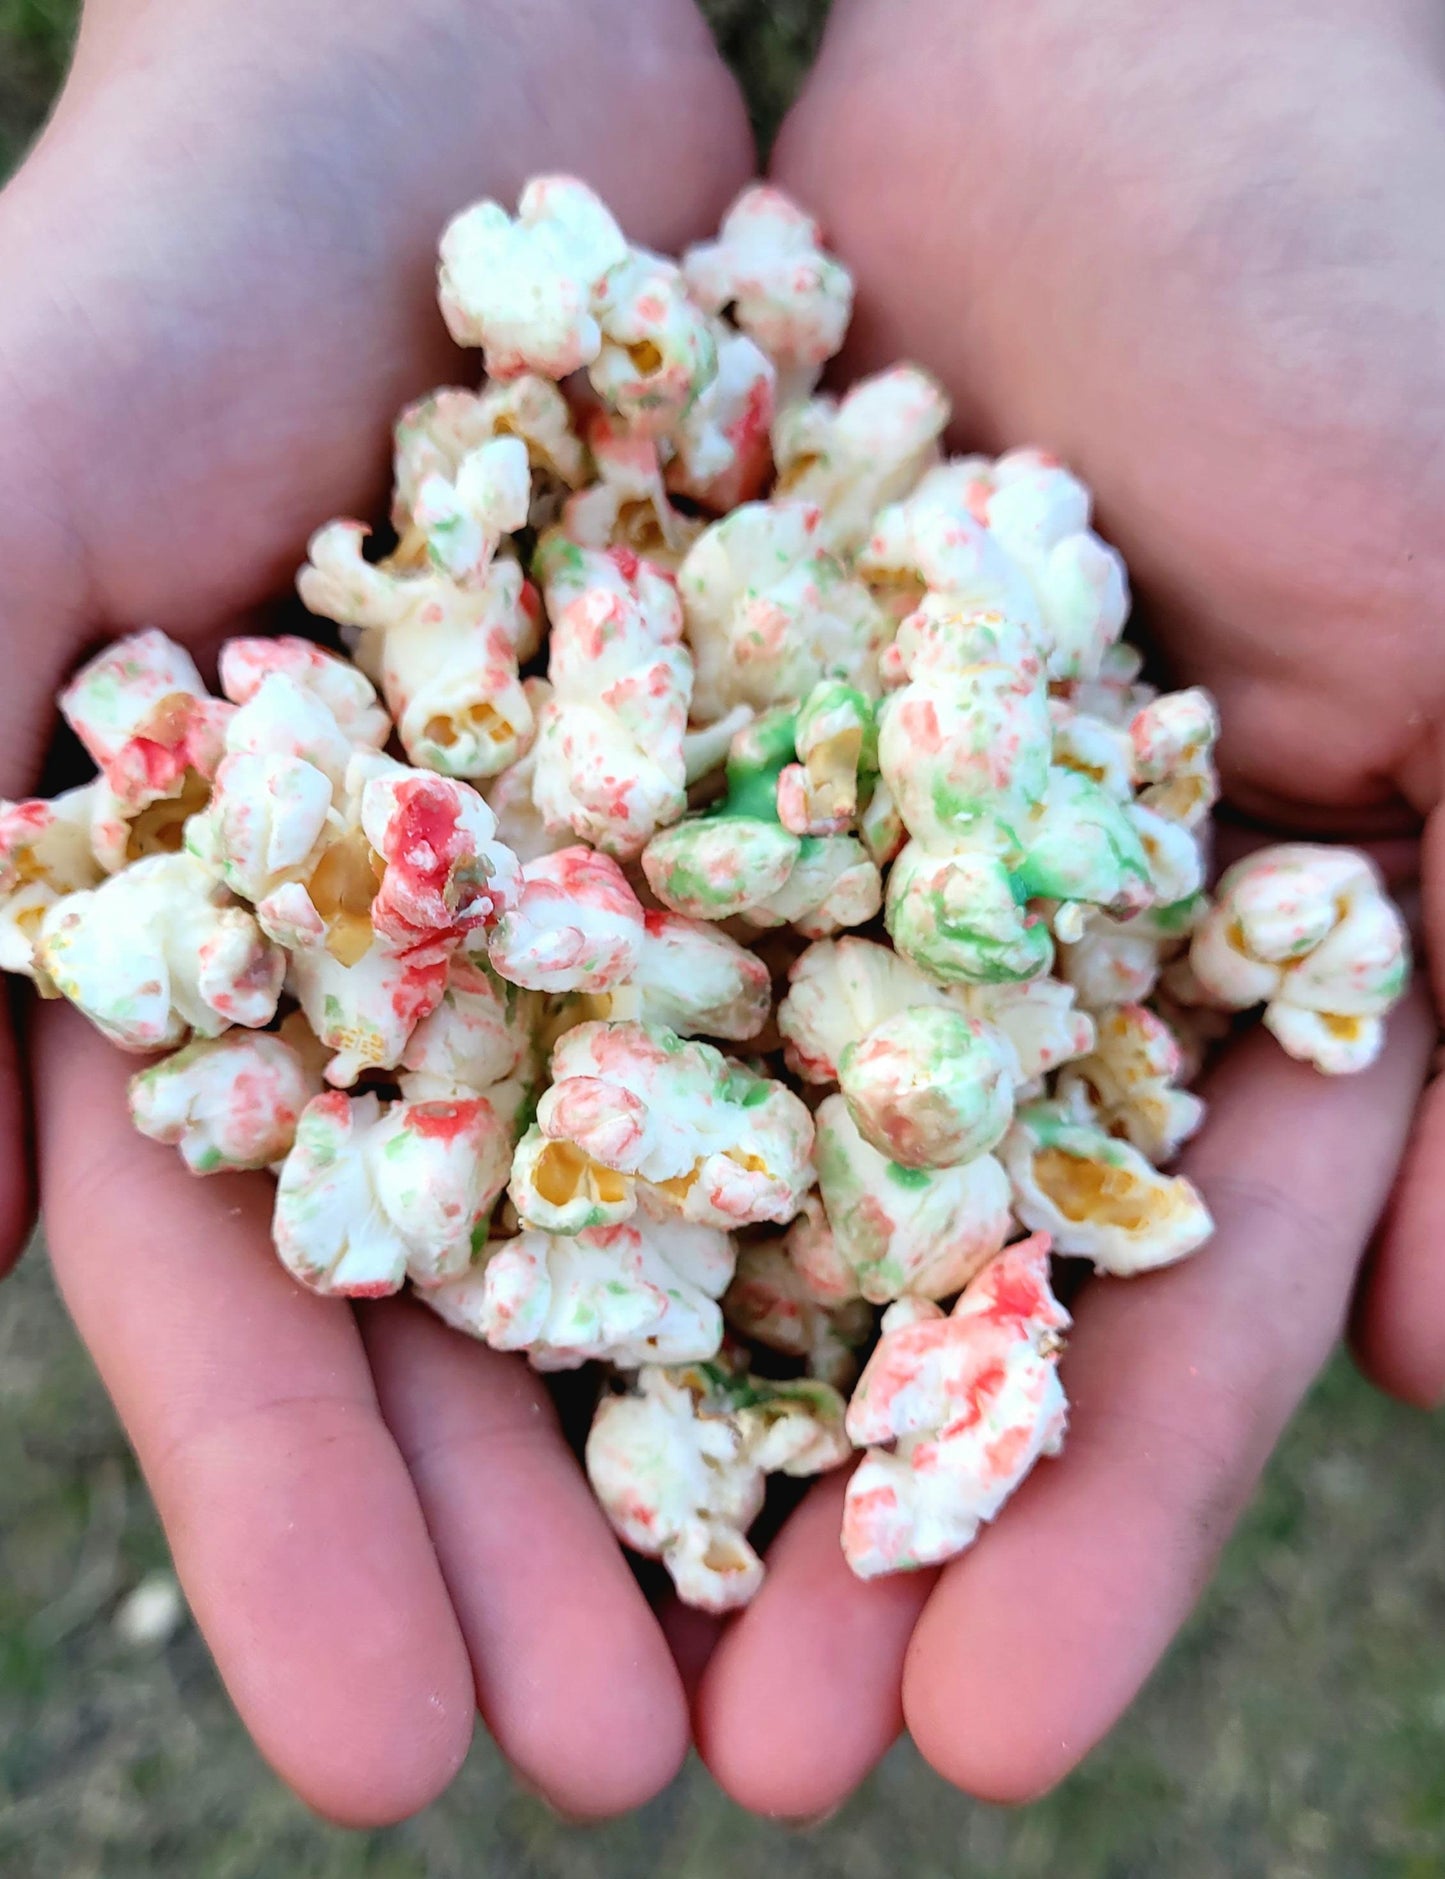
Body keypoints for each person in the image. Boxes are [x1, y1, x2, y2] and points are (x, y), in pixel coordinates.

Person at [1, 0, 1440, 1830]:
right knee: (597, 859)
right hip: (662, 909)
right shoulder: (515, 872)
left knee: (635, 869)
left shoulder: (853, 789)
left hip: (804, 883)